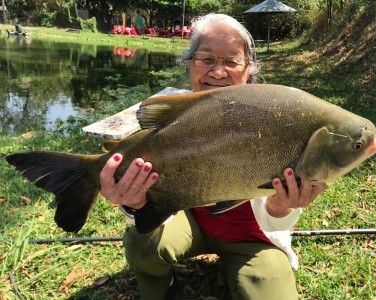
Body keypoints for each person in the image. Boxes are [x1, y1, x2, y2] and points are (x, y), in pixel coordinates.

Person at [100, 13, 326, 300]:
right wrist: (134, 203)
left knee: (270, 285)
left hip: (251, 237)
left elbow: (278, 219)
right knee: (141, 243)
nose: (218, 72)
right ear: (190, 62)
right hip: (187, 222)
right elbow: (143, 207)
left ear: (248, 69)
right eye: (206, 59)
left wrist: (282, 207)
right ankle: (163, 285)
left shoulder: (277, 118)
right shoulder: (173, 113)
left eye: (231, 62)